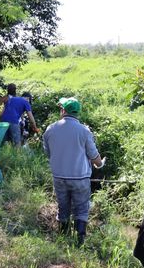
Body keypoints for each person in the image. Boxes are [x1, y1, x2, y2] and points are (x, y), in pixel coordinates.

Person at [42, 97, 105, 245]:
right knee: (82, 208)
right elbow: (94, 156)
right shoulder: (84, 131)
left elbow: (48, 152)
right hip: (80, 178)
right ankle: (80, 240)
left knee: (63, 207)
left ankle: (63, 238)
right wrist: (100, 164)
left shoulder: (51, 129)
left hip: (59, 177)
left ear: (63, 110)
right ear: (77, 112)